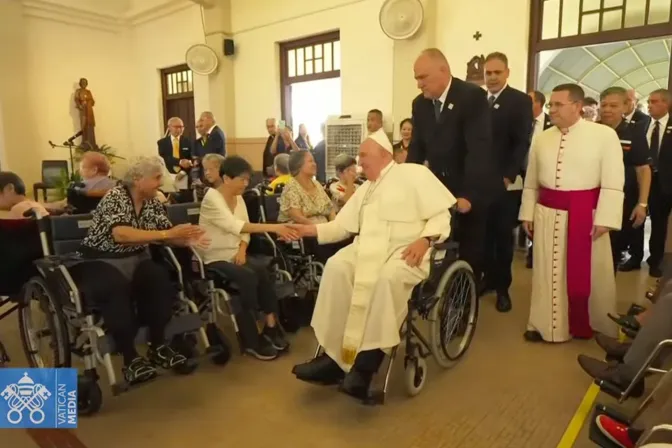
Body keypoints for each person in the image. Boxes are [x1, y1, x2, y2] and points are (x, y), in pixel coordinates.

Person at [290, 129, 456, 400]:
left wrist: (426, 240)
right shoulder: (366, 188)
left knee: (386, 280)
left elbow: (440, 215)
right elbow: (342, 227)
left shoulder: (414, 174)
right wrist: (307, 231)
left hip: (405, 251)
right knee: (336, 266)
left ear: (384, 155)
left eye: (364, 155)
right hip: (365, 249)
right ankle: (334, 358)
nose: (359, 160)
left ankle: (365, 368)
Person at [73, 156, 207, 384]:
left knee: (159, 280)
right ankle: (130, 358)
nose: (160, 182)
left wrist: (185, 239)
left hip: (136, 257)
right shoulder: (115, 197)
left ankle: (158, 345)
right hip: (102, 260)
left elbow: (166, 233)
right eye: (156, 177)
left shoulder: (152, 202)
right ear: (137, 179)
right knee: (115, 289)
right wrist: (168, 235)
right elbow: (121, 234)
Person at [520, 83, 624, 343]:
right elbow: (532, 180)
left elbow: (613, 182)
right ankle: (543, 323)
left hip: (585, 216)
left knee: (591, 273)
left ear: (577, 107)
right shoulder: (542, 137)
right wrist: (527, 213)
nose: (551, 109)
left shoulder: (603, 135)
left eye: (557, 104)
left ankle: (593, 321)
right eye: (550, 105)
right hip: (547, 214)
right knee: (546, 272)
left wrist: (606, 219)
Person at [407, 48, 500, 285]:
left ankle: (466, 298)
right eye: (416, 78)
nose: (419, 84)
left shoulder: (471, 96)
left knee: (469, 249)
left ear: (443, 71)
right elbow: (416, 149)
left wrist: (468, 195)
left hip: (470, 185)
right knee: (437, 243)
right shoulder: (420, 104)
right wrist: (407, 184)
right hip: (438, 189)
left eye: (422, 77)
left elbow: (478, 150)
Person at [198, 156, 297, 360]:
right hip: (215, 257)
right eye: (241, 179)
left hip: (236, 252)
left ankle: (270, 327)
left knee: (263, 270)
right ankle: (250, 339)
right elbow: (237, 226)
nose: (246, 183)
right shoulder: (211, 198)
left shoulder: (239, 197)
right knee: (247, 278)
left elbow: (244, 231)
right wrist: (274, 227)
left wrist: (243, 249)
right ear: (226, 178)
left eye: (247, 179)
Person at [480, 52, 533, 312]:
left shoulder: (519, 101)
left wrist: (508, 175)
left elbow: (521, 140)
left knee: (501, 237)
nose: (491, 78)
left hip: (504, 183)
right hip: (479, 181)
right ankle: (486, 279)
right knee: (482, 235)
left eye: (496, 73)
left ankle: (503, 288)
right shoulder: (478, 100)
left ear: (507, 73)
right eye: (488, 73)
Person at [597, 87, 651, 273]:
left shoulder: (634, 133)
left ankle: (603, 298)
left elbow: (643, 169)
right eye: (604, 105)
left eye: (614, 105)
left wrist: (642, 204)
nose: (607, 110)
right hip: (591, 201)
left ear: (625, 107)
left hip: (622, 203)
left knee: (612, 252)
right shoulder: (591, 131)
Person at [625, 88, 671, 278]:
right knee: (637, 218)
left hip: (665, 182)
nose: (650, 105)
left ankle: (655, 260)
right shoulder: (642, 124)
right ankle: (635, 257)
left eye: (655, 101)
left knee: (659, 224)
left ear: (666, 104)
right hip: (643, 180)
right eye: (649, 102)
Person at [524, 90, 554, 269]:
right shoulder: (522, 122)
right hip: (521, 175)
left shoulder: (551, 124)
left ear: (540, 104)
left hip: (544, 177)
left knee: (540, 215)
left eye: (530, 101)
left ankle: (536, 250)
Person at [278, 151, 335, 224]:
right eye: (310, 161)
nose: (314, 164)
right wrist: (319, 229)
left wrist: (334, 226)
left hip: (322, 228)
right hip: (301, 230)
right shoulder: (292, 186)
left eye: (314, 161)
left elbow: (330, 209)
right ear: (299, 165)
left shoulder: (316, 184)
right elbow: (297, 217)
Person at [74, 77, 96, 148]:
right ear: (80, 84)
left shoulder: (88, 92)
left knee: (90, 126)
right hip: (83, 111)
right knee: (84, 126)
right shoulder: (78, 91)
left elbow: (93, 101)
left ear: (86, 84)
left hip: (89, 112)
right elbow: (76, 100)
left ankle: (92, 143)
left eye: (85, 83)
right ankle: (85, 142)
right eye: (82, 82)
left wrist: (88, 102)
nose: (84, 84)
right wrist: (80, 105)